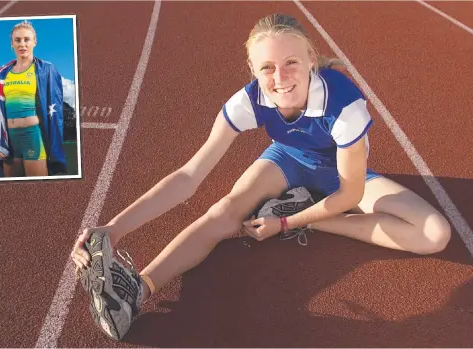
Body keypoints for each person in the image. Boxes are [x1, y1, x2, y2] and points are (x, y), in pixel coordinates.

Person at [70, 14, 452, 341]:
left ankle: (313, 217)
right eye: (266, 67)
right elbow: (189, 176)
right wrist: (113, 229)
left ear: (311, 61)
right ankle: (139, 288)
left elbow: (349, 191)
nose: (280, 77)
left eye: (291, 63)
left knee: (435, 233)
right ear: (252, 70)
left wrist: (287, 221)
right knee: (224, 213)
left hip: (342, 174)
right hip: (286, 160)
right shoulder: (248, 101)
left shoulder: (344, 104)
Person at [0, 20, 67, 178]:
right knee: (12, 193)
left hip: (32, 137)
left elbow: (56, 108)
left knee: (36, 193)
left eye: (27, 39)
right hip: (10, 141)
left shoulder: (46, 70)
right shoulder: (3, 73)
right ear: (12, 44)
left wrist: (53, 144)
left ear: (34, 42)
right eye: (18, 40)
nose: (22, 44)